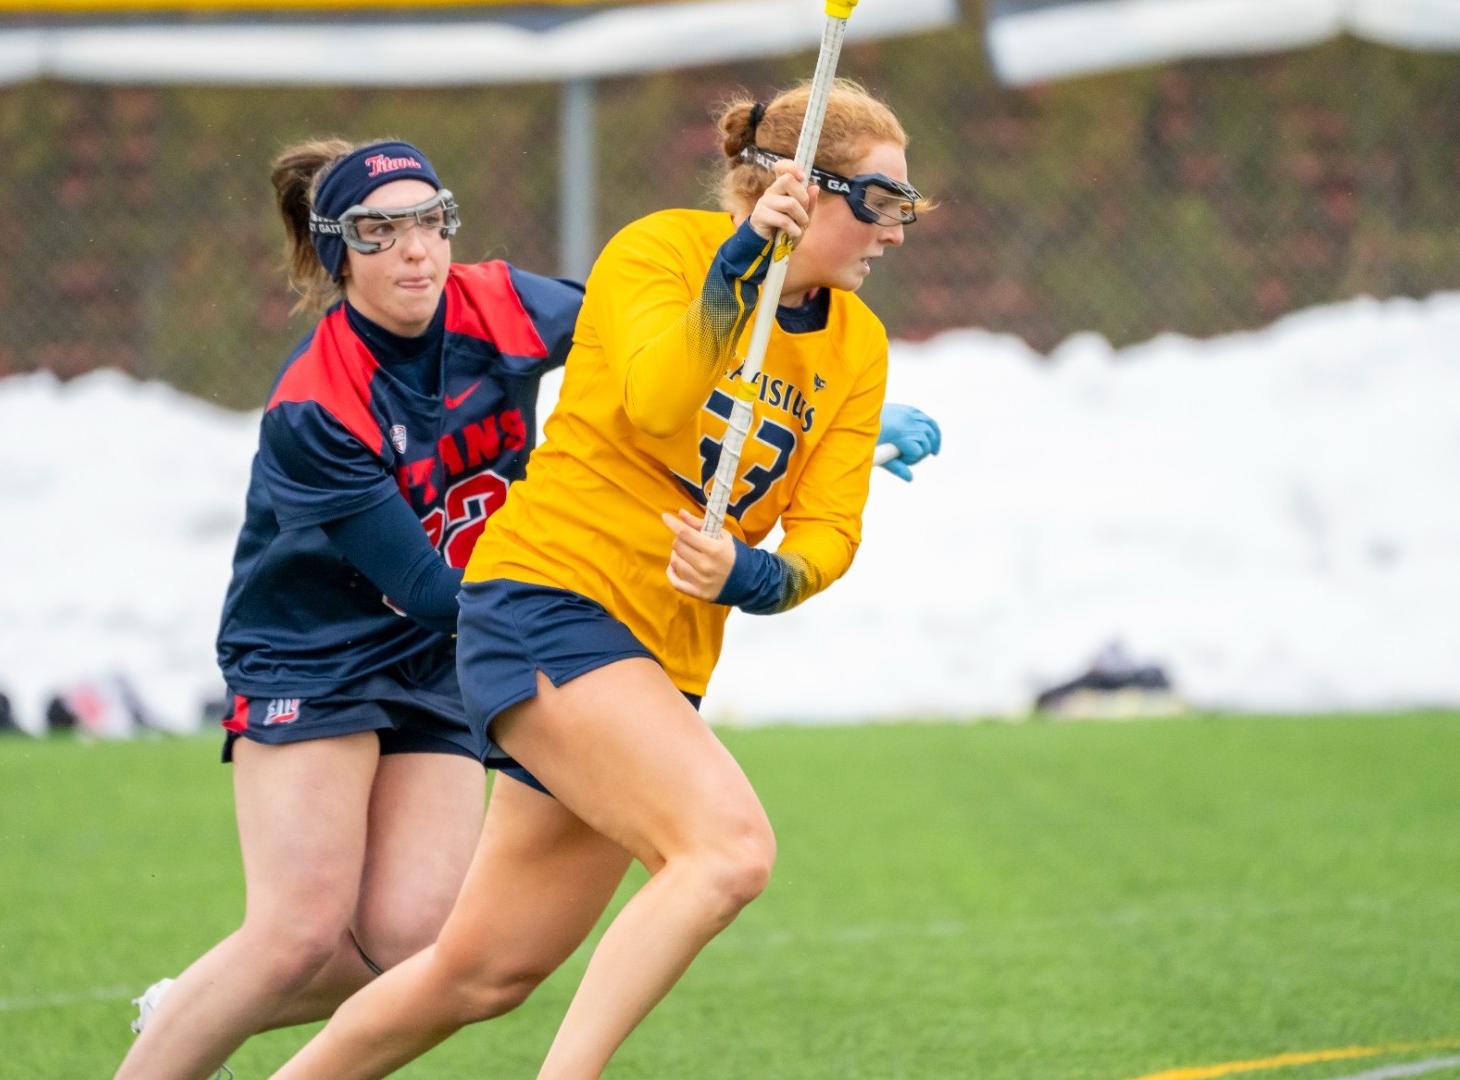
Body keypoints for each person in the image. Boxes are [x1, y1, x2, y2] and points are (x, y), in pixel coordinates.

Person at [115, 131, 939, 1080]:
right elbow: (425, 588)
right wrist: (562, 578)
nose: (416, 252)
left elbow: (648, 343)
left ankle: (222, 1016)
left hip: (457, 648)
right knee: (297, 937)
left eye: (431, 224)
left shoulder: (500, 304)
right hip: (326, 647)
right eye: (381, 233)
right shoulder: (316, 403)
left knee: (441, 955)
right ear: (340, 251)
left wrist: (822, 416)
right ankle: (193, 1017)